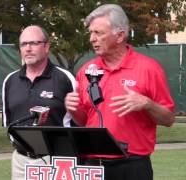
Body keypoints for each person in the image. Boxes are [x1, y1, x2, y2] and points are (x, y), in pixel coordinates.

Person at [65, 4, 175, 180]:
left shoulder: (149, 69)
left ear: (120, 35)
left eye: (98, 33)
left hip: (132, 166)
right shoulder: (86, 71)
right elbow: (84, 121)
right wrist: (72, 109)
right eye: (91, 33)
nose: (92, 39)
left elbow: (169, 119)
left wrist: (147, 104)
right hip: (93, 165)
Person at [2, 25, 76, 180]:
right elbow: (9, 124)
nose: (28, 48)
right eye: (23, 44)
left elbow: (79, 122)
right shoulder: (10, 81)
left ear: (46, 46)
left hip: (56, 159)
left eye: (34, 43)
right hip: (21, 160)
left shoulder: (65, 78)